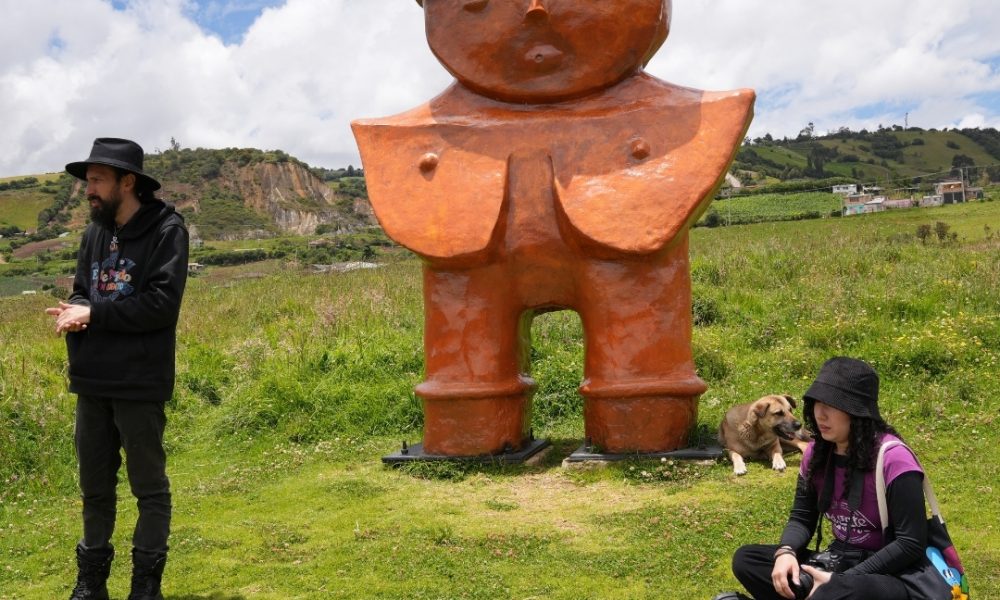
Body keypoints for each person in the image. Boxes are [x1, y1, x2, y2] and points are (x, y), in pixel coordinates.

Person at [46, 138, 189, 600]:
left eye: (97, 180)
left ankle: (145, 587)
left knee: (149, 489)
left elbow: (161, 305)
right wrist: (75, 310)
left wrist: (94, 313)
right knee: (94, 488)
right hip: (91, 379)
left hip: (139, 380)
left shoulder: (167, 230)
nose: (88, 189)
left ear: (127, 182)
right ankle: (91, 585)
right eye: (87, 181)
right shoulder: (95, 231)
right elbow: (84, 289)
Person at [715, 357, 950, 600]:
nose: (820, 414)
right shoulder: (816, 453)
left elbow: (910, 543)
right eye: (816, 403)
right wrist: (786, 552)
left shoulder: (894, 459)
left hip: (890, 574)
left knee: (835, 592)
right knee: (748, 560)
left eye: (832, 405)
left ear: (857, 411)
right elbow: (802, 518)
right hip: (840, 560)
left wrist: (841, 581)